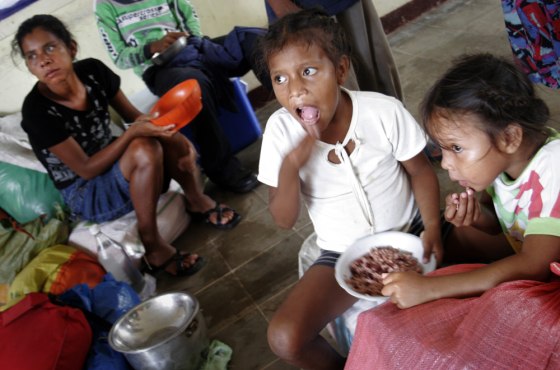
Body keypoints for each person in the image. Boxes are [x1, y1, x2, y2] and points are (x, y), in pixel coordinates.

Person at [344, 53, 560, 370]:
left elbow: (532, 266)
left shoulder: (553, 167)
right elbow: (509, 226)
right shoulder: (504, 163)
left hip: (549, 282)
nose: (445, 164)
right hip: (537, 258)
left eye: (456, 148)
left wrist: (430, 289)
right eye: (443, 150)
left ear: (510, 137)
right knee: (462, 235)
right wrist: (478, 218)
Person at [256, 9, 442, 369]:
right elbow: (283, 218)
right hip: (341, 255)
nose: (295, 89)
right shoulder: (280, 133)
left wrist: (433, 227)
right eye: (280, 78)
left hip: (411, 231)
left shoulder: (382, 112)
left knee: (484, 241)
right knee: (285, 337)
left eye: (308, 71)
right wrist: (293, 164)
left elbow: (420, 172)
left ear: (340, 70)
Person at [13, 14, 242, 278]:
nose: (43, 60)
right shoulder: (37, 111)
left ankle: (196, 199)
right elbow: (86, 169)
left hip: (113, 163)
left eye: (50, 48)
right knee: (144, 147)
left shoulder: (93, 72)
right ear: (30, 67)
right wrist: (133, 135)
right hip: (86, 192)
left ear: (71, 48)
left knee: (162, 135)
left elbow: (137, 118)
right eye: (31, 56)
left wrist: (177, 138)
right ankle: (153, 245)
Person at [94, 0, 263, 193]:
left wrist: (189, 40)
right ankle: (223, 170)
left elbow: (188, 16)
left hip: (191, 48)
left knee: (253, 40)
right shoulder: (104, 6)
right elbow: (120, 57)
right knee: (193, 84)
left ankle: (295, 117)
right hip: (158, 69)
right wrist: (151, 48)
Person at [264, 0, 403, 100]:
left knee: (378, 75)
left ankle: (400, 136)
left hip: (349, 4)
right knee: (341, 94)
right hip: (302, 10)